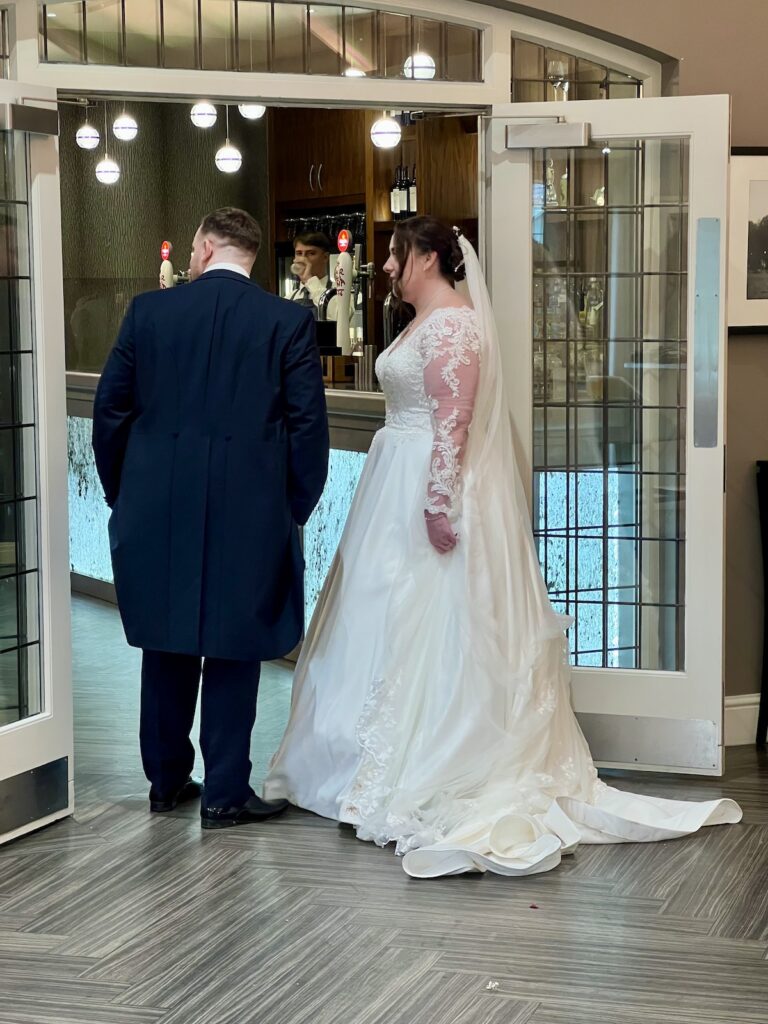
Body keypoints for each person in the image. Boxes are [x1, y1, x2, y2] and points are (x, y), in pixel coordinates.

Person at [264, 215, 741, 878]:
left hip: (428, 490)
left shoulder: (454, 324)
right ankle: (353, 765)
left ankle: (417, 766)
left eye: (399, 255)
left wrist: (437, 505)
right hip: (393, 485)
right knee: (381, 624)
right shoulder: (424, 319)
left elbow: (452, 426)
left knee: (433, 627)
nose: (391, 268)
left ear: (430, 256)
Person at [92, 207, 329, 829]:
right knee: (236, 646)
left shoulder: (149, 312)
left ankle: (166, 781)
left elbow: (110, 410)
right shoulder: (288, 321)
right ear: (250, 256)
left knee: (166, 641)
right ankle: (225, 791)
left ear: (203, 248)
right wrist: (294, 506)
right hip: (251, 510)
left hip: (156, 506)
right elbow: (308, 427)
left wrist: (125, 491)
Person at [289, 231, 349, 321]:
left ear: (325, 257)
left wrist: (310, 281)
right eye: (299, 253)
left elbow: (341, 318)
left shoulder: (340, 290)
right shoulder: (289, 297)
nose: (303, 259)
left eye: (311, 253)